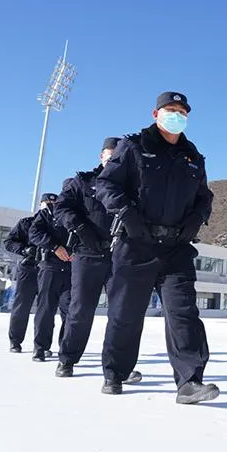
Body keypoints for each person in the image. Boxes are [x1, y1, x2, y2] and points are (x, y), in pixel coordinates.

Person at [96, 91, 217, 403]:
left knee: (184, 313)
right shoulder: (133, 147)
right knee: (126, 313)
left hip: (176, 247)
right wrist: (128, 215)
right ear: (156, 114)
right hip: (136, 244)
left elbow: (205, 197)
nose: (176, 114)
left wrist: (196, 220)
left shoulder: (193, 156)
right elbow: (106, 185)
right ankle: (115, 372)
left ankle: (189, 381)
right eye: (170, 109)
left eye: (181, 111)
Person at [53, 137, 143, 383]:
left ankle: (116, 369)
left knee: (121, 314)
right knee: (80, 310)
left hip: (121, 256)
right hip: (88, 254)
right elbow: (61, 209)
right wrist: (80, 228)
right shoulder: (82, 182)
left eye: (119, 156)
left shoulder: (133, 186)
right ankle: (67, 359)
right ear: (101, 156)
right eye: (110, 154)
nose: (113, 159)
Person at [28, 193, 73, 362]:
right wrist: (54, 246)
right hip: (50, 267)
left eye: (54, 201)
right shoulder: (44, 215)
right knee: (45, 309)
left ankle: (66, 348)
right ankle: (40, 348)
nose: (52, 204)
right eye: (49, 202)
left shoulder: (71, 212)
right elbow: (34, 233)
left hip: (70, 267)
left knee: (70, 311)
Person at [3, 214, 39, 353]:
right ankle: (15, 341)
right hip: (28, 268)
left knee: (46, 310)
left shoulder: (59, 221)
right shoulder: (26, 223)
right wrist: (24, 249)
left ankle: (41, 346)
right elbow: (9, 242)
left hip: (51, 268)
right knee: (21, 306)